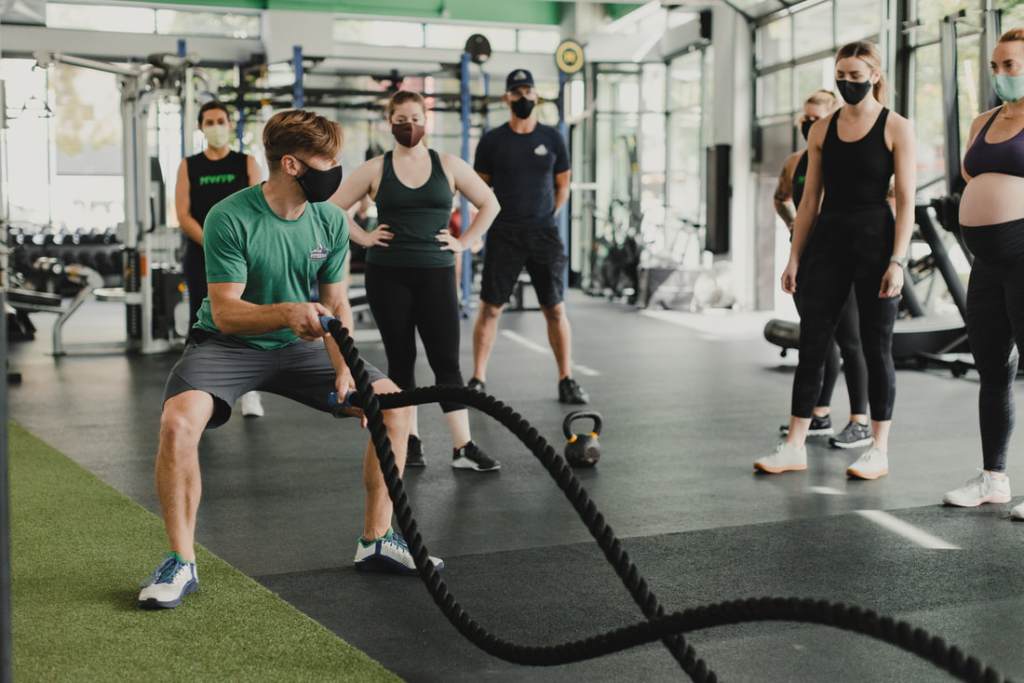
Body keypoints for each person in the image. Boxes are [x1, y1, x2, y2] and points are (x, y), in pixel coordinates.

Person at [139, 110, 437, 610]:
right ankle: (181, 560)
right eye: (328, 162)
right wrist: (286, 312)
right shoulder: (229, 217)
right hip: (228, 344)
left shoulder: (329, 220)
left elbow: (336, 305)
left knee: (395, 405)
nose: (337, 171)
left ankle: (376, 540)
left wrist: (344, 370)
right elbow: (227, 312)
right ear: (293, 165)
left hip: (301, 346)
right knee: (178, 423)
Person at [755, 41, 916, 479]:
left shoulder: (896, 127)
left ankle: (878, 448)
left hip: (875, 239)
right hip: (828, 239)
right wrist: (794, 258)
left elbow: (906, 200)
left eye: (855, 77)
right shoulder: (822, 130)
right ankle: (794, 445)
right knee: (813, 342)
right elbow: (809, 202)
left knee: (876, 346)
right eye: (841, 77)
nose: (847, 84)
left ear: (875, 76)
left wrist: (898, 260)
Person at [332, 91, 501, 471]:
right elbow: (332, 206)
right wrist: (364, 237)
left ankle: (463, 447)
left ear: (426, 121)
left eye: (415, 118)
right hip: (387, 274)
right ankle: (409, 441)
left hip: (436, 273)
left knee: (446, 362)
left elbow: (490, 204)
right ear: (389, 122)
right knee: (401, 360)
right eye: (401, 119)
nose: (409, 125)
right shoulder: (376, 168)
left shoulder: (448, 164)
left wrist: (464, 242)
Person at [469, 69, 589, 405]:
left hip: (543, 234)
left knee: (555, 309)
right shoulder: (492, 141)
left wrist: (546, 216)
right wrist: (482, 227)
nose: (523, 97)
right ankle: (477, 379)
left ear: (536, 95)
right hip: (504, 233)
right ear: (507, 97)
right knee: (490, 309)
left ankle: (566, 379)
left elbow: (562, 185)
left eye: (528, 91)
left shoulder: (553, 138)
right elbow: (479, 189)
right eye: (517, 92)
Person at [942, 28, 1024, 515]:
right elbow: (973, 176)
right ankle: (994, 478)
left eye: (1010, 65)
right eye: (996, 66)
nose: (1001, 74)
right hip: (987, 260)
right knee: (992, 366)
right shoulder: (983, 121)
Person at [773, 90, 872, 449]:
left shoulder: (846, 158)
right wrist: (793, 225)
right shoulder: (795, 161)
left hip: (843, 254)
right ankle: (820, 413)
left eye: (816, 119)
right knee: (818, 337)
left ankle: (860, 421)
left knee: (851, 339)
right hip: (809, 254)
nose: (808, 124)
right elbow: (781, 198)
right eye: (805, 119)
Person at [174, 101, 266, 418]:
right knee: (202, 320)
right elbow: (183, 214)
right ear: (201, 127)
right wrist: (213, 244)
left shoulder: (246, 162)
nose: (216, 127)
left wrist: (238, 246)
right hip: (200, 254)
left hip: (243, 255)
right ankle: (196, 391)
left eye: (220, 121)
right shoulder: (189, 166)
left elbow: (259, 209)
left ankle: (249, 391)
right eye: (209, 122)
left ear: (229, 124)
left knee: (245, 318)